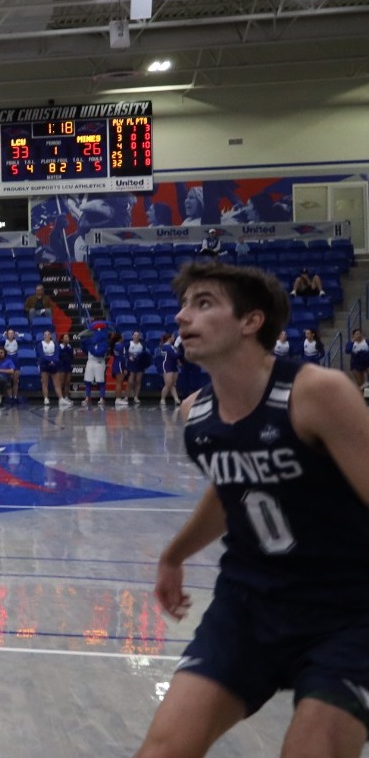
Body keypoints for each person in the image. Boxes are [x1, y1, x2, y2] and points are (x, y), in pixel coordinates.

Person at [132, 261, 369, 758]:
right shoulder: (194, 412)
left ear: (251, 321)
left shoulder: (317, 393)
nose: (181, 317)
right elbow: (231, 488)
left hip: (348, 611)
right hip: (248, 604)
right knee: (162, 750)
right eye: (183, 304)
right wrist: (175, 555)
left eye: (203, 303)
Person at [80, 323, 114, 405]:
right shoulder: (90, 341)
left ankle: (102, 398)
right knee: (87, 380)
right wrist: (83, 343)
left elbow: (98, 353)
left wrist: (90, 347)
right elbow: (85, 350)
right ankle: (88, 397)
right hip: (90, 362)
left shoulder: (104, 343)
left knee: (100, 381)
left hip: (99, 362)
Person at [157, 332, 184, 406]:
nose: (174, 338)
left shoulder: (171, 346)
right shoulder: (166, 347)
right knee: (168, 384)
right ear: (169, 338)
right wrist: (183, 352)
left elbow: (175, 356)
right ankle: (162, 399)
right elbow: (174, 355)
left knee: (172, 384)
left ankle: (176, 399)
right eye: (172, 337)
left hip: (173, 366)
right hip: (167, 366)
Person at [37, 330, 62, 405]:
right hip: (45, 364)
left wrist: (53, 361)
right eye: (45, 334)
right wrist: (49, 361)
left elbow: (57, 353)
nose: (47, 335)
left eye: (48, 334)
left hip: (54, 364)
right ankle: (46, 398)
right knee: (45, 383)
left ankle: (61, 399)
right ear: (43, 336)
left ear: (51, 336)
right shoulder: (40, 344)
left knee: (57, 383)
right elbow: (42, 355)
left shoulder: (54, 343)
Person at [350, 328, 368, 394]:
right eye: (356, 334)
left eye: (359, 334)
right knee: (360, 383)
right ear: (353, 336)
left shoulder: (366, 342)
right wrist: (352, 342)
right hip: (356, 363)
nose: (358, 335)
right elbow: (347, 350)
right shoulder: (352, 344)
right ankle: (363, 398)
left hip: (366, 361)